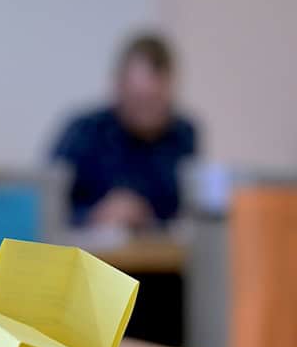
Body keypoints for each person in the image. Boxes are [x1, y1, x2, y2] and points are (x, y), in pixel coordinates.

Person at [51, 33, 198, 228]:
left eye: (155, 101)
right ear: (118, 87)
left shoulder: (183, 135)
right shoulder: (83, 132)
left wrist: (147, 218)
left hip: (161, 256)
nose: (146, 112)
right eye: (138, 100)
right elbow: (48, 208)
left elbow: (187, 213)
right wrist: (95, 216)